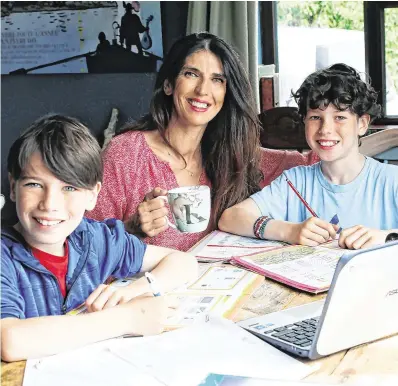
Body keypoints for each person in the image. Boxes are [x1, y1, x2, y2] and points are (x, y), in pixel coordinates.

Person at [87, 33, 396, 252]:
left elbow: (326, 155)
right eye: (191, 74)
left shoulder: (232, 152)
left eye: (218, 80)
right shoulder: (126, 154)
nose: (203, 90)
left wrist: (382, 137)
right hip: (139, 294)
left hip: (208, 292)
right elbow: (82, 241)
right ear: (168, 83)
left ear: (227, 92)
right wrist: (132, 229)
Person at [1, 115, 198, 362]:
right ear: (12, 187)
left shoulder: (95, 239)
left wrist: (140, 290)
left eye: (69, 188)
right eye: (34, 185)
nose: (50, 204)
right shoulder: (4, 256)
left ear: (93, 195)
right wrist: (128, 318)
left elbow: (183, 262)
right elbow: (10, 340)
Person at [218, 63, 398, 250]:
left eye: (340, 117)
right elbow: (230, 218)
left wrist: (387, 237)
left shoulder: (392, 180)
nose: (325, 129)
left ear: (362, 124)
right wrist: (289, 231)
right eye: (315, 117)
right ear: (304, 121)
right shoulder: (294, 182)